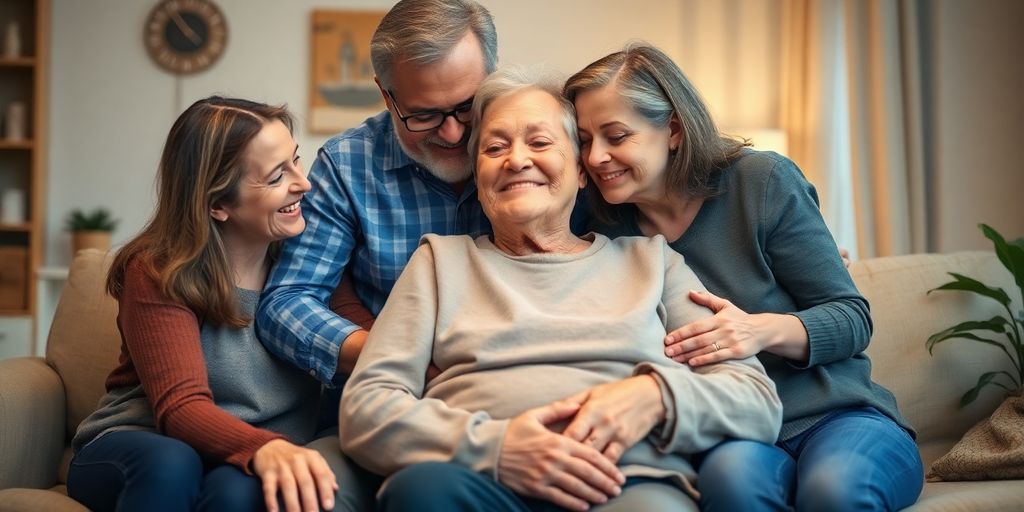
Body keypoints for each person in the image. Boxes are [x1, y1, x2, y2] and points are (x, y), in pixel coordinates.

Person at [339, 67, 782, 512]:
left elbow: (755, 399)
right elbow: (366, 407)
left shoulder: (652, 262)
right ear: (478, 175)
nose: (516, 160)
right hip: (479, 483)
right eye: (495, 148)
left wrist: (657, 396)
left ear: (581, 170)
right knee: (422, 492)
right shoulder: (439, 263)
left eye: (540, 142)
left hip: (625, 485)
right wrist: (497, 446)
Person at [565, 44, 924, 511]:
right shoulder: (599, 227)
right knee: (732, 485)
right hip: (734, 432)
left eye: (616, 136)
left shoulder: (761, 181)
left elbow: (853, 319)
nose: (596, 157)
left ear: (672, 129)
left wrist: (756, 329)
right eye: (585, 140)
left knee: (834, 491)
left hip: (838, 416)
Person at [66, 97, 339, 512]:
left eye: (296, 162)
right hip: (146, 444)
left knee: (242, 493)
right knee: (174, 465)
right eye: (276, 176)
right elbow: (180, 408)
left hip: (252, 455)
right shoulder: (158, 270)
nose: (304, 184)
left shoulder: (313, 260)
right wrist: (265, 447)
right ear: (217, 204)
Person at [256, 0, 498, 392]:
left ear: (493, 75)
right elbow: (287, 303)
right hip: (387, 393)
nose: (453, 134)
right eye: (424, 115)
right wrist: (398, 356)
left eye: (468, 107)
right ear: (387, 97)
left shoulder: (541, 155)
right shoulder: (347, 165)